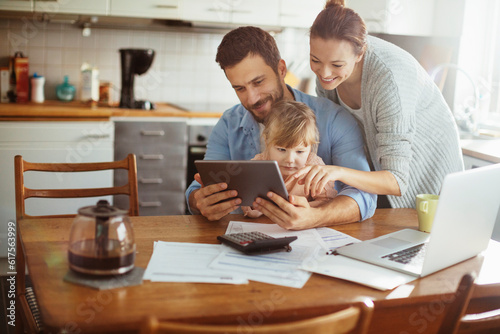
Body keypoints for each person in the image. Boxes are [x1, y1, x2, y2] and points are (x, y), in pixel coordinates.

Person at [185, 26, 376, 230]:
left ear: (281, 69)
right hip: (245, 241)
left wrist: (315, 216)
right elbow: (198, 190)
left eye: (258, 82)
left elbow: (363, 195)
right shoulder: (229, 123)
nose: (251, 98)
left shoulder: (335, 119)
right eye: (239, 88)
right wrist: (200, 201)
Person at [294, 0, 464, 209]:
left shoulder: (388, 80)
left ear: (360, 53)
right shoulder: (328, 79)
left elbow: (397, 180)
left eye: (337, 65)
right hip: (382, 172)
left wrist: (337, 171)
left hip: (430, 171)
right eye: (315, 60)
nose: (324, 73)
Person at [242, 100, 337, 218]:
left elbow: (328, 203)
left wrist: (302, 209)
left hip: (305, 228)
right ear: (267, 142)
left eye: (300, 151)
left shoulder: (315, 167)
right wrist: (254, 209)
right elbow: (247, 203)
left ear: (310, 147)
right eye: (282, 150)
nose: (290, 159)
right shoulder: (257, 165)